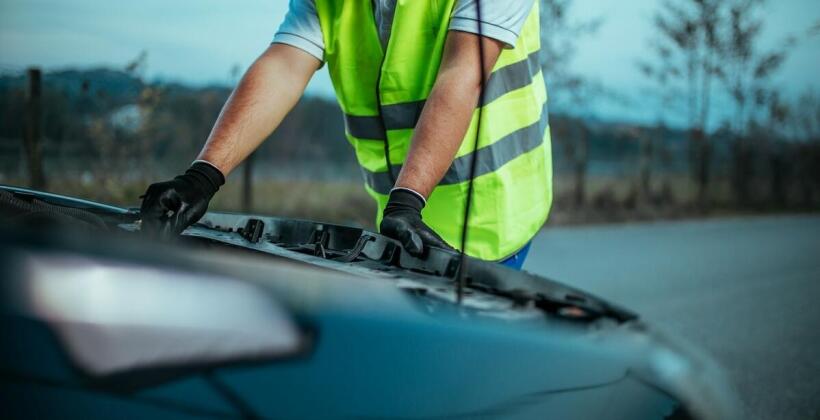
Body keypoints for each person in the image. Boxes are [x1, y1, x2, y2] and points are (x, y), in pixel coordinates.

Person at [140, 0, 552, 270]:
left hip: (491, 213)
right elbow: (284, 65)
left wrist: (409, 198)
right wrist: (203, 176)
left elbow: (461, 73)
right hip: (403, 217)